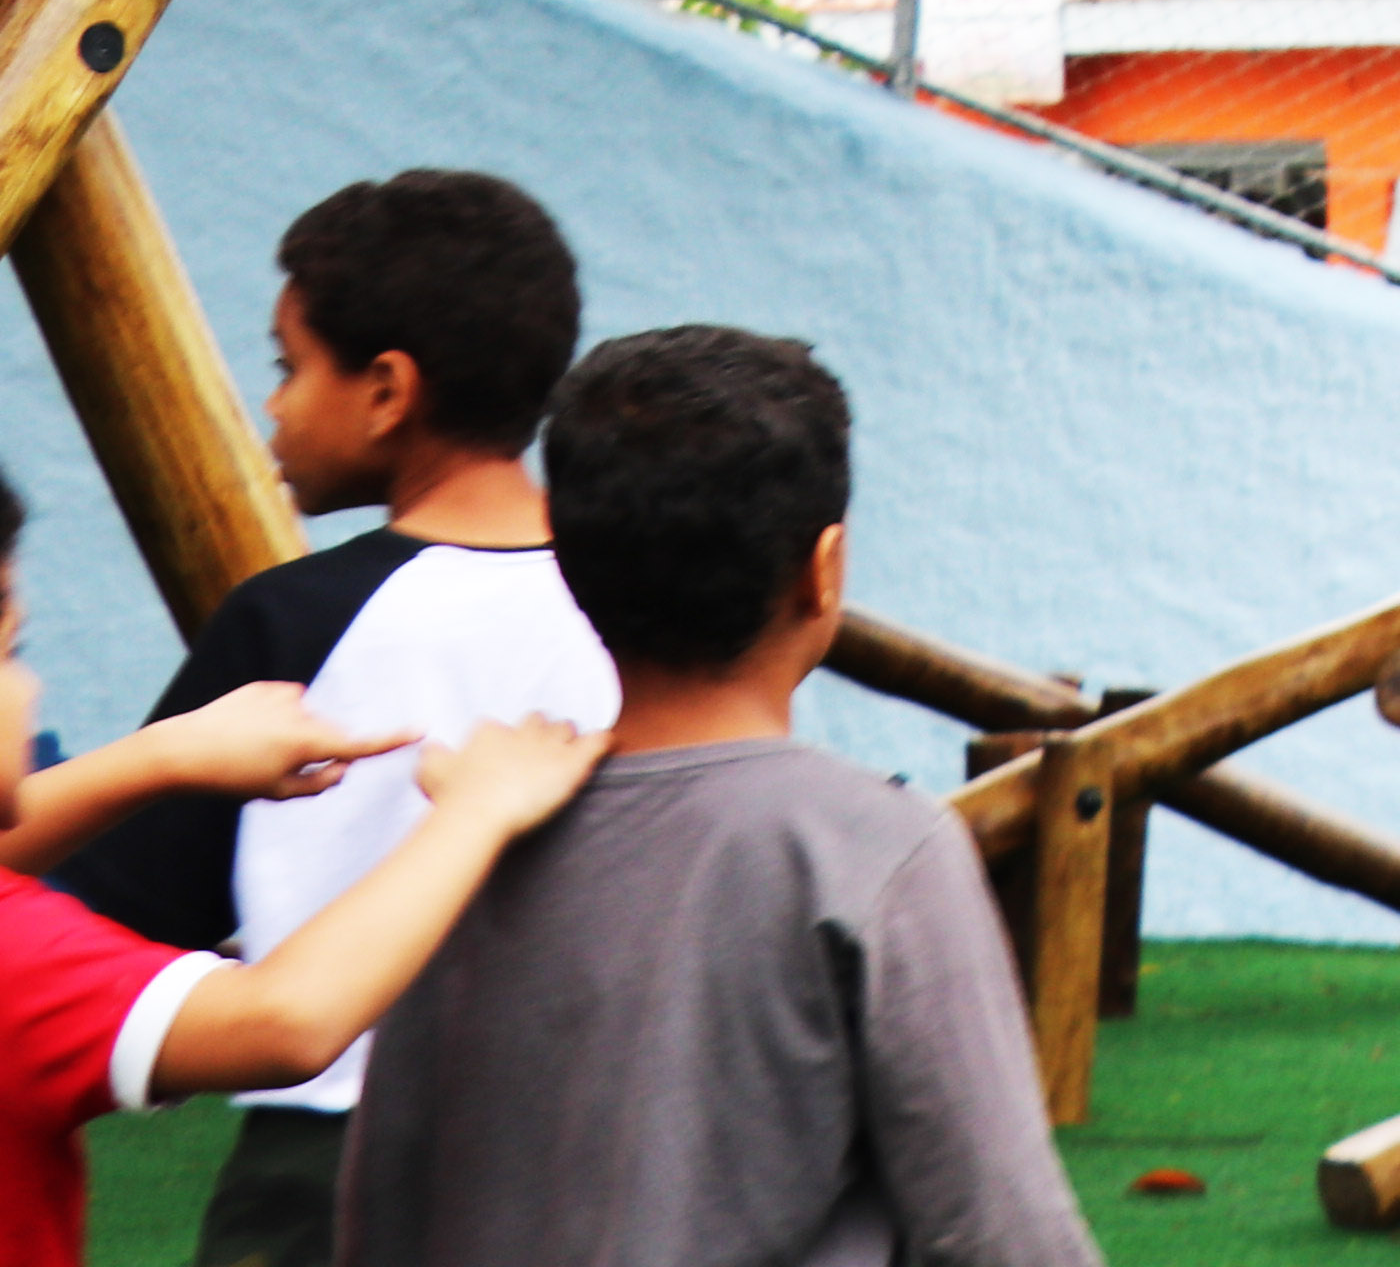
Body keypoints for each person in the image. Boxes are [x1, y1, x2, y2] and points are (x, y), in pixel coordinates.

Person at [332, 326, 1101, 1265]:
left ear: (569, 572)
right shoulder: (874, 849)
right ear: (823, 569)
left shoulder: (461, 842)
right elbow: (1003, 1232)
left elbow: (383, 1205)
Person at [46, 172, 616, 1267]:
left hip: (325, 1174)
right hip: (586, 1155)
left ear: (387, 388)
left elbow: (115, 912)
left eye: (288, 365)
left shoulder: (291, 620)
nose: (271, 406)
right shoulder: (636, 606)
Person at [0, 458, 593, 1267]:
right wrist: (475, 810)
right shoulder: (19, 957)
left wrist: (165, 754)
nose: (30, 688)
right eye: (9, 652)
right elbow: (286, 1021)